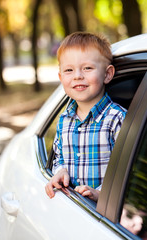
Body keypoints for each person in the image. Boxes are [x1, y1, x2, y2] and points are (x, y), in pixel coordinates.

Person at [45, 32, 127, 201]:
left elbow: (125, 170)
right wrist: (60, 171)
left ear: (107, 74)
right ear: (61, 78)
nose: (77, 76)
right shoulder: (64, 120)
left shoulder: (117, 119)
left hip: (104, 214)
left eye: (87, 68)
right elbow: (58, 155)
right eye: (69, 70)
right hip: (73, 208)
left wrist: (101, 194)